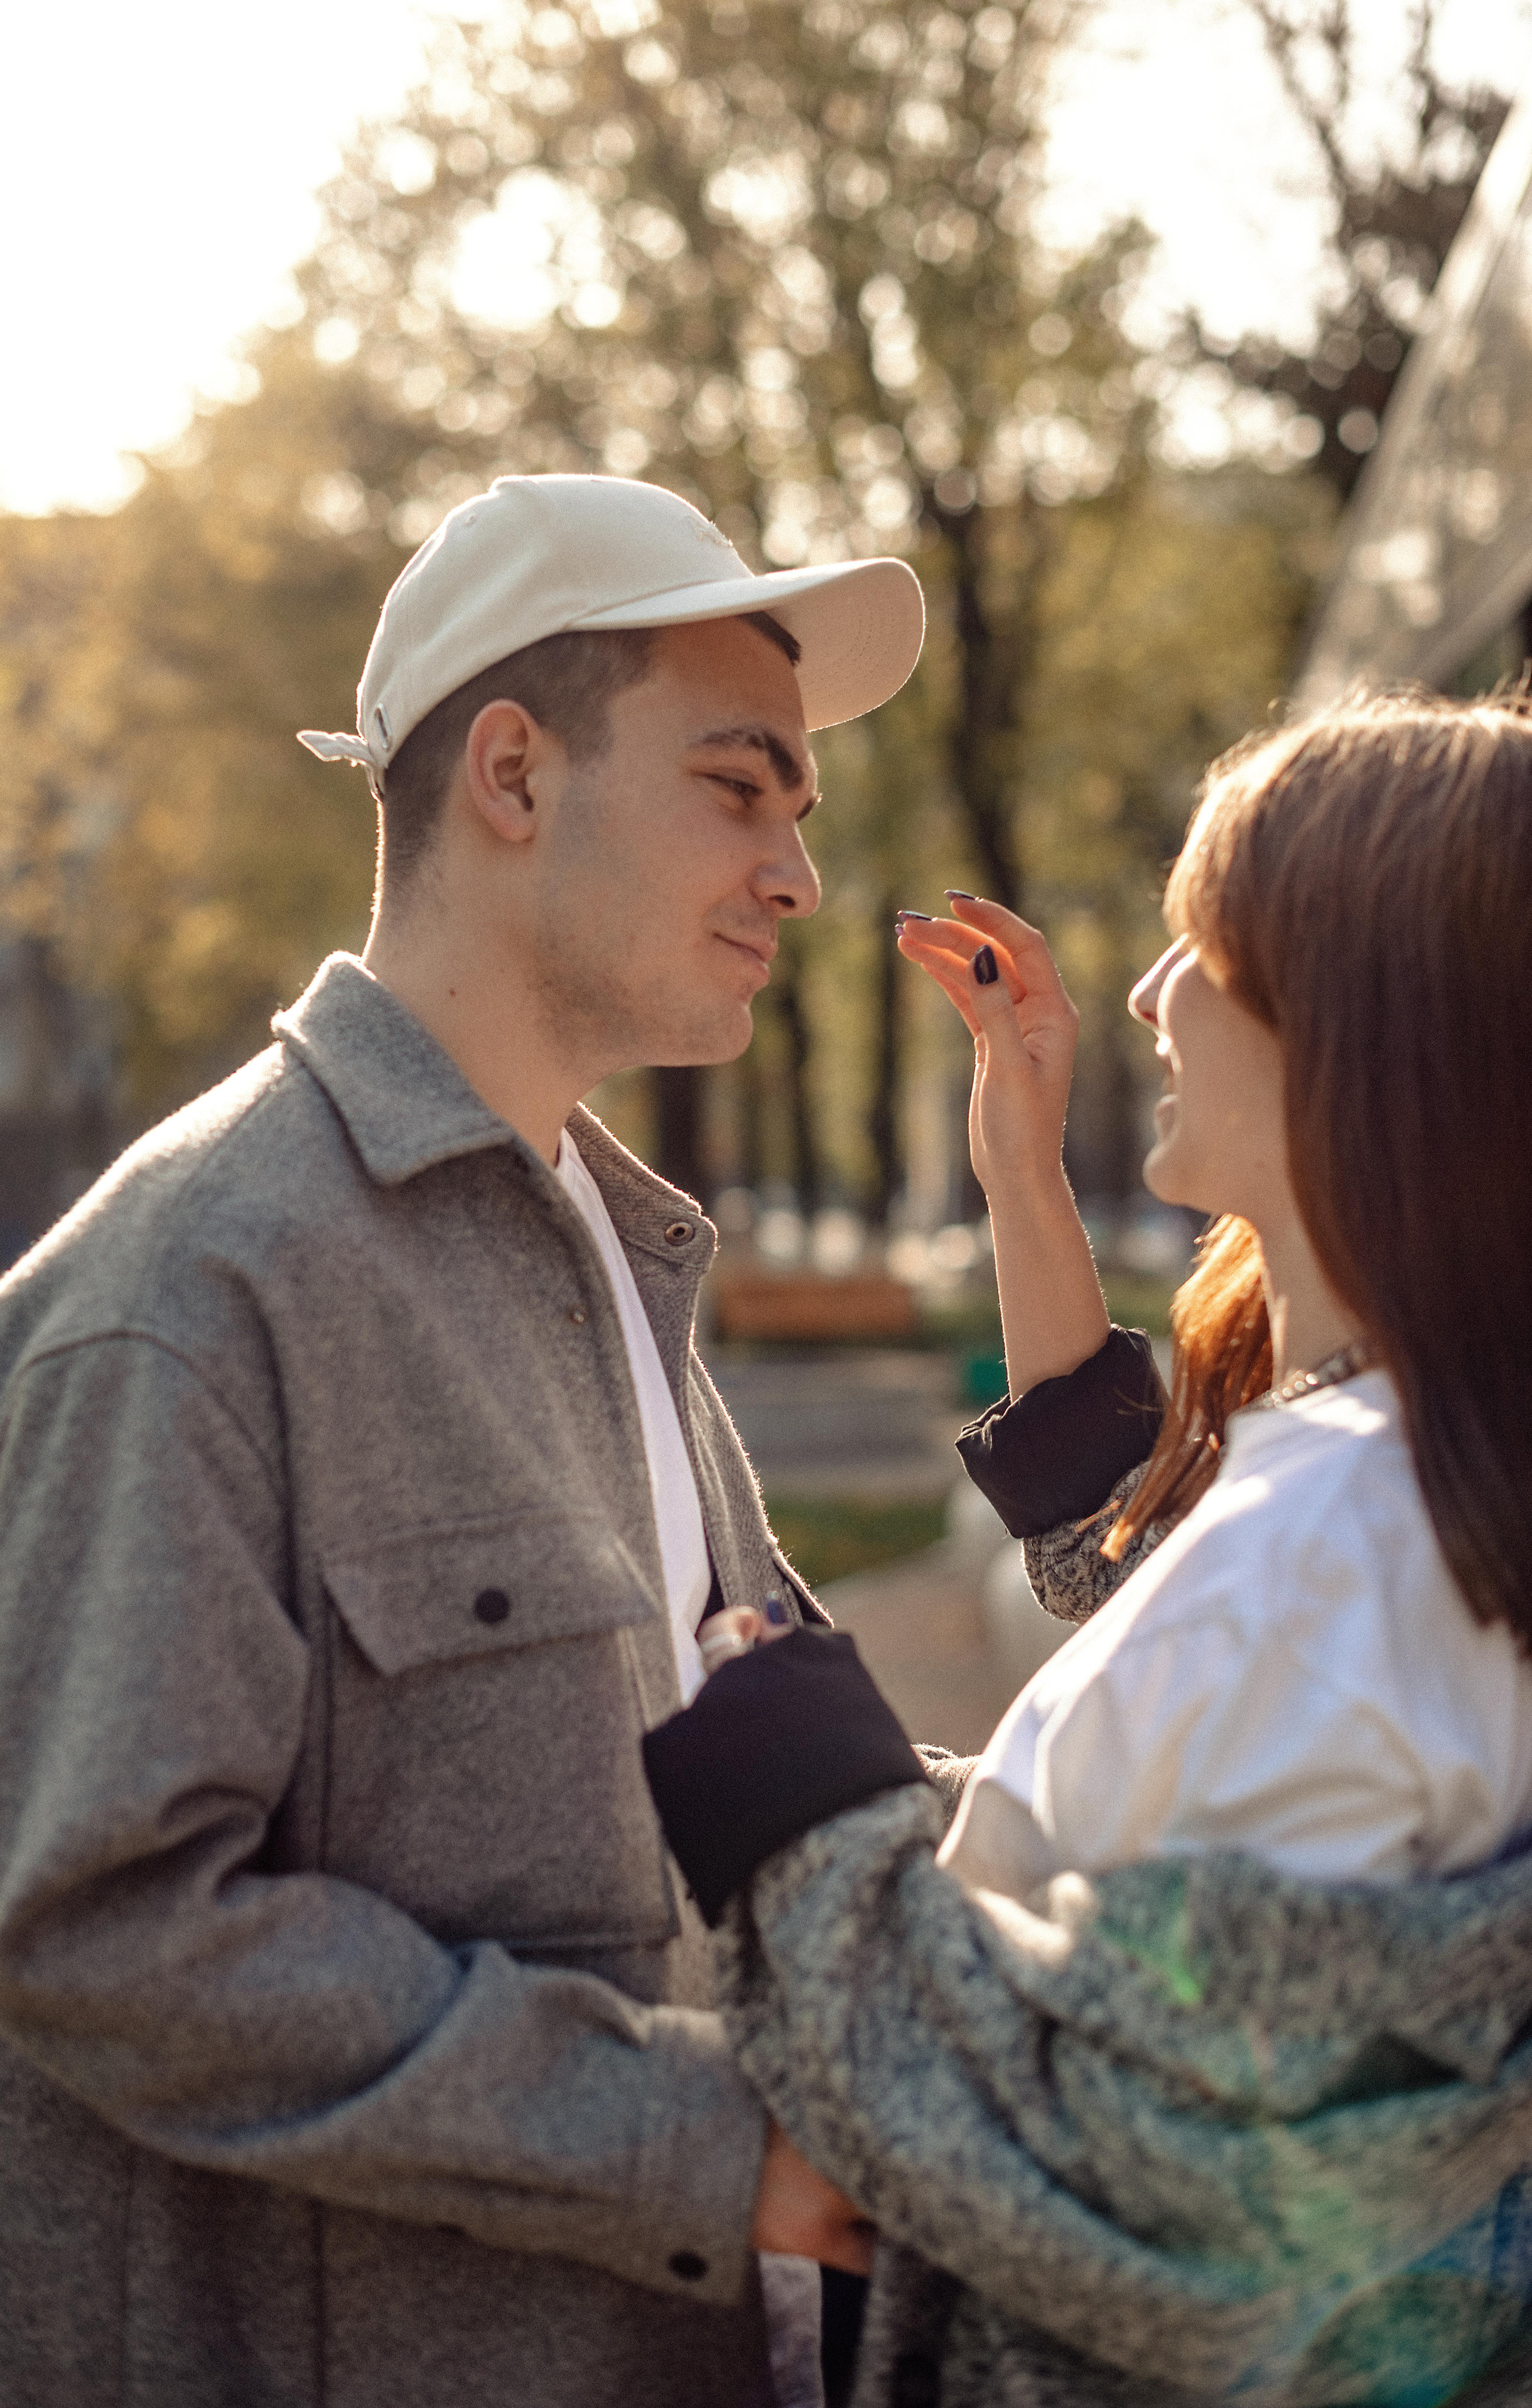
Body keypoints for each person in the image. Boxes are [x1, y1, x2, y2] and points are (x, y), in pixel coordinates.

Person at [0, 472, 925, 2408]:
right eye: (740, 787)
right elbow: (101, 1927)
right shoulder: (184, 1293)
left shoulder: (607, 1249)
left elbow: (707, 1806)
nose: (798, 873)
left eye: (798, 811)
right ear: (509, 770)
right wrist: (715, 2148)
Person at [643, 694, 1532, 2407]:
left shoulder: (1331, 1553)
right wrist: (1023, 1170)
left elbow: (1125, 2189)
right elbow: (1169, 1620)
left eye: (1200, 940)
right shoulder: (1419, 1486)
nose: (1144, 992)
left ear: (1360, 1021)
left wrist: (807, 1827)